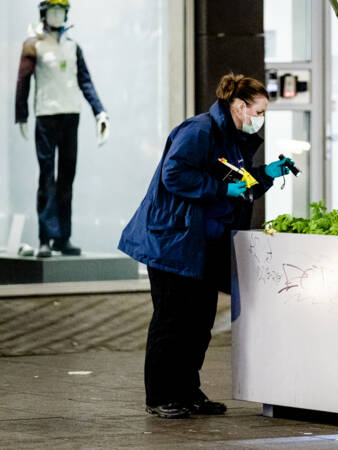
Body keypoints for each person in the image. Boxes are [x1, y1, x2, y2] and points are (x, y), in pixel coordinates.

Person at [118, 73, 295, 419]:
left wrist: (267, 175)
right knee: (172, 322)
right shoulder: (199, 131)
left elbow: (237, 184)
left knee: (198, 323)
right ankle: (160, 396)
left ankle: (188, 392)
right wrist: (220, 191)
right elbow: (175, 175)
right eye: (259, 111)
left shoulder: (230, 140)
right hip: (174, 243)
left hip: (202, 244)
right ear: (240, 106)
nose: (261, 119)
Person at [15, 0, 110, 258]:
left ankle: (63, 236)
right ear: (44, 13)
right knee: (47, 177)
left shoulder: (72, 46)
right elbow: (23, 80)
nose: (57, 15)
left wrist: (99, 111)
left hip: (71, 116)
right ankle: (45, 237)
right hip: (46, 116)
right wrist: (21, 114)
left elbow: (85, 81)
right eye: (52, 11)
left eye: (61, 11)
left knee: (67, 176)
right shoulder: (33, 44)